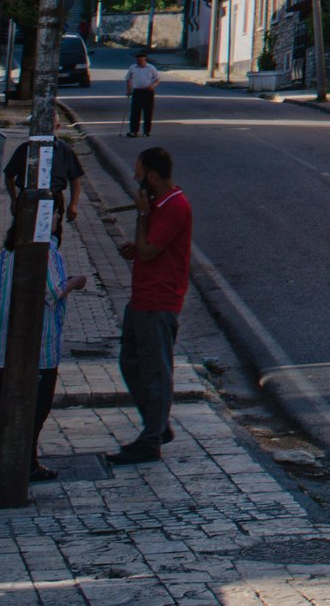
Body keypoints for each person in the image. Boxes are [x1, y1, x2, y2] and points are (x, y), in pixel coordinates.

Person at [0, 205, 88, 483]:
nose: (57, 217)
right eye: (53, 212)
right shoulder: (46, 253)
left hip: (4, 346)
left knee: (4, 407)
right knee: (36, 408)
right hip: (39, 347)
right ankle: (25, 462)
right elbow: (54, 291)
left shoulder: (4, 255)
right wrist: (76, 282)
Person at [111, 146, 191, 465]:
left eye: (139, 173)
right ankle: (156, 425)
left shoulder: (174, 206)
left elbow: (148, 252)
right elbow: (146, 247)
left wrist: (142, 216)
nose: (134, 178)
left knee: (156, 370)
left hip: (159, 300)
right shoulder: (158, 203)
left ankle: (152, 438)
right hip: (141, 297)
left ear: (153, 177)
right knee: (130, 363)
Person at [3, 111, 84, 223]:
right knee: (20, 233)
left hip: (54, 199)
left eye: (50, 124)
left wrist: (73, 204)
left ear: (57, 126)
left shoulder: (65, 150)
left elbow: (75, 179)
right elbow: (9, 175)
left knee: (52, 235)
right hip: (27, 199)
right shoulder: (25, 149)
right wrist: (14, 199)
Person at [125, 49, 161, 137]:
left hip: (148, 91)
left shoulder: (151, 68)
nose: (139, 61)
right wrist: (129, 90)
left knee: (148, 111)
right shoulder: (133, 67)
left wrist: (153, 85)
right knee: (135, 112)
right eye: (137, 60)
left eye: (140, 60)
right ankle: (134, 131)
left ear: (145, 59)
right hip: (137, 91)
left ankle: (147, 131)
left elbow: (157, 79)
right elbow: (128, 78)